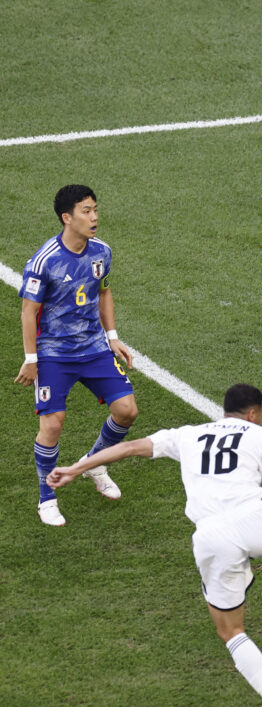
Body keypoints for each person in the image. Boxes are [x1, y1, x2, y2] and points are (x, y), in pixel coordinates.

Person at [47, 383, 262, 707]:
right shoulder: (260, 436)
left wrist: (75, 468)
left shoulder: (187, 435)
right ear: (254, 413)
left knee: (232, 632)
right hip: (257, 522)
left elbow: (129, 447)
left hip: (214, 539)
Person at [14, 184, 139, 527]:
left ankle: (95, 462)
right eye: (86, 211)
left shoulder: (102, 252)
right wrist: (31, 358)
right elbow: (28, 311)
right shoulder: (44, 261)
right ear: (67, 218)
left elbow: (104, 291)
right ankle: (47, 496)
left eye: (95, 209)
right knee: (53, 424)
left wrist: (112, 337)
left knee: (127, 410)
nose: (94, 216)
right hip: (54, 354)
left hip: (94, 348)